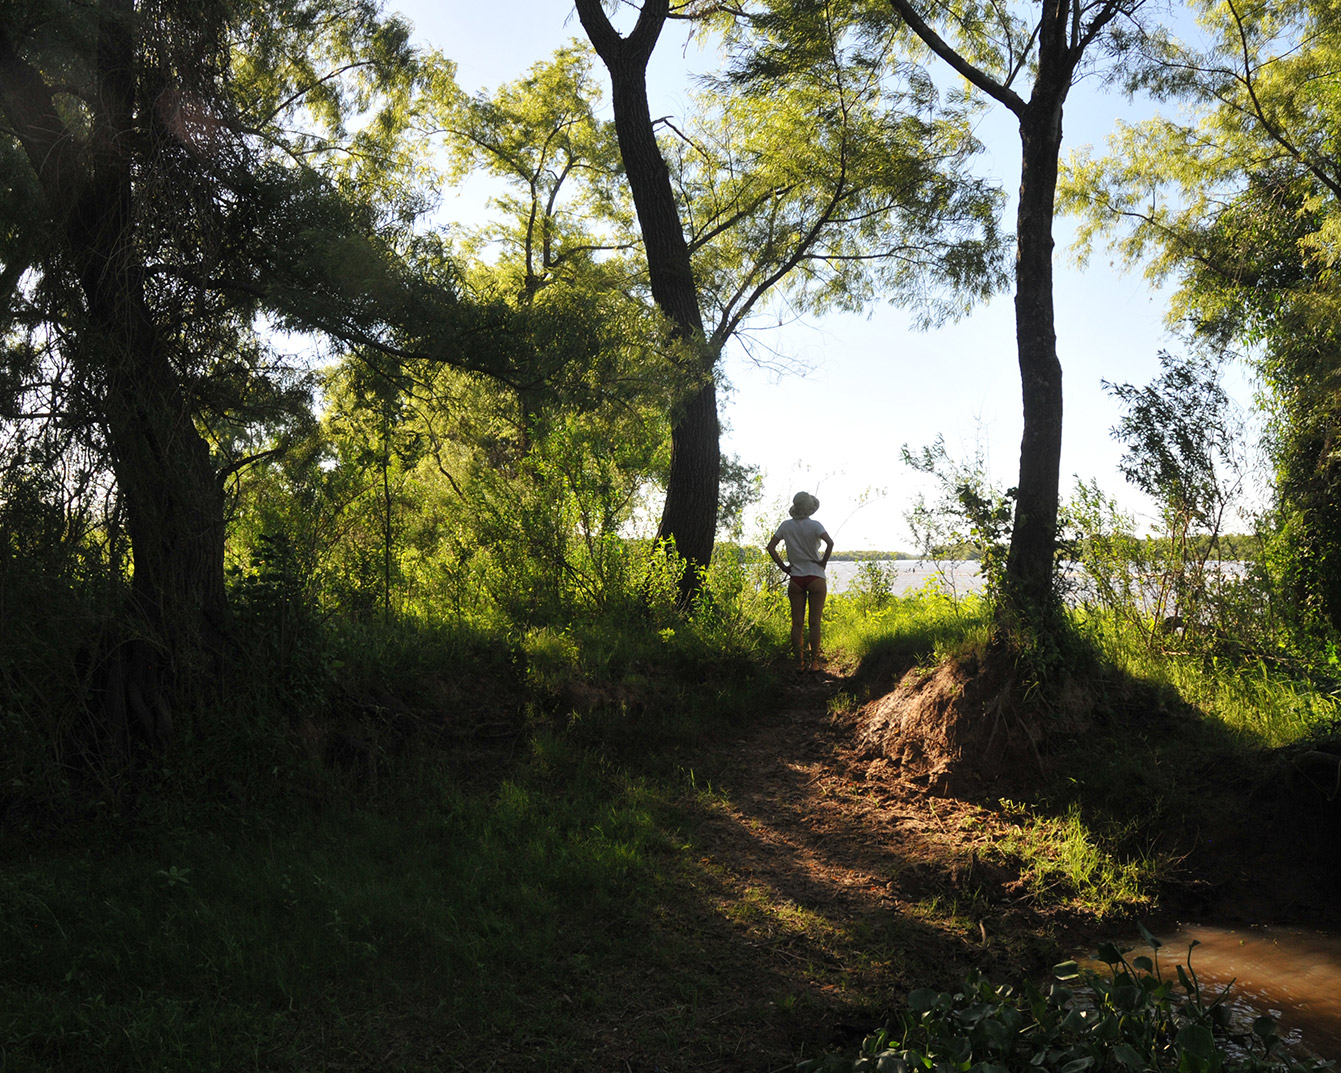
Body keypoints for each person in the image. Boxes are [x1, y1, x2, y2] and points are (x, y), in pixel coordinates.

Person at [766, 491, 834, 672]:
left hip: (796, 578)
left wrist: (783, 567)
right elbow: (830, 543)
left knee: (797, 623)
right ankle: (814, 663)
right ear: (810, 509)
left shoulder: (785, 526)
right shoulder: (816, 525)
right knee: (815, 623)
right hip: (816, 577)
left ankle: (799, 663)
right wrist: (823, 563)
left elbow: (771, 547)